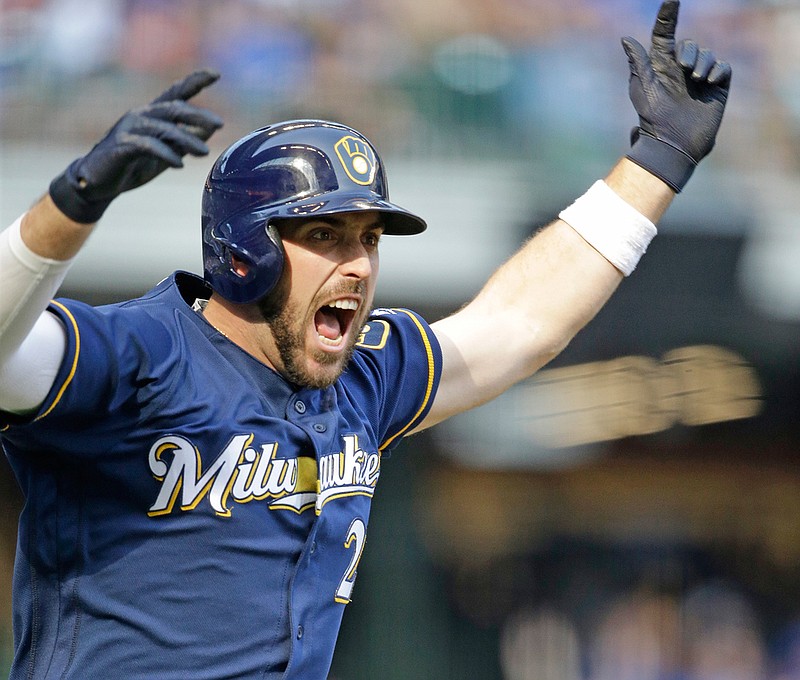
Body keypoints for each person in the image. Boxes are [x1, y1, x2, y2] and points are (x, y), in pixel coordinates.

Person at [0, 2, 731, 678]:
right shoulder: (135, 355)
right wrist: (70, 208)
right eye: (324, 234)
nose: (357, 264)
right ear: (243, 249)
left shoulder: (364, 376)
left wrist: (657, 159)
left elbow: (522, 323)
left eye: (369, 239)